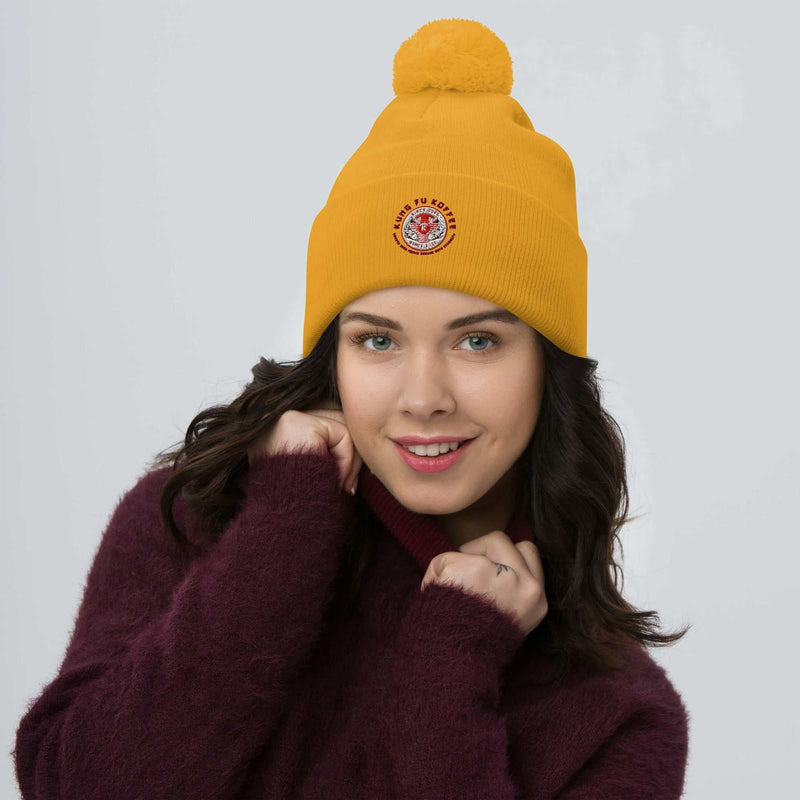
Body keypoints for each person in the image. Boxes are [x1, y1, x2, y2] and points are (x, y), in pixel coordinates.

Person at [13, 17, 691, 799]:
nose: (423, 397)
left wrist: (452, 661)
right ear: (333, 354)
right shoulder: (201, 519)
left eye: (477, 343)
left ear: (549, 364)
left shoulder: (618, 713)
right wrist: (281, 539)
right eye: (377, 341)